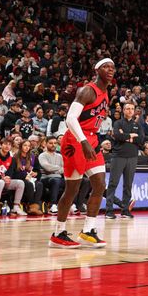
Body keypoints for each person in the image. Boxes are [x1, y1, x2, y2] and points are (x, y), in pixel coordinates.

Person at [48, 58, 113, 249]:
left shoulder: (106, 91)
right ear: (97, 70)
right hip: (76, 140)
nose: (110, 70)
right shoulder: (87, 90)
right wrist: (83, 141)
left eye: (112, 67)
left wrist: (90, 140)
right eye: (106, 67)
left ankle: (88, 230)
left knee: (100, 185)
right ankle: (58, 232)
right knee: (72, 189)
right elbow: (70, 119)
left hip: (92, 139)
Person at [106, 102, 142, 220]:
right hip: (118, 157)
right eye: (127, 109)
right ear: (123, 110)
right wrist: (131, 136)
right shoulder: (118, 123)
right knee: (113, 184)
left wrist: (126, 136)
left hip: (132, 157)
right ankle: (109, 210)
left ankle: (125, 210)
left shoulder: (137, 124)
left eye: (132, 109)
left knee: (128, 185)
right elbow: (117, 135)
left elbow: (141, 139)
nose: (130, 111)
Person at [38, 137, 64, 214]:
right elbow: (47, 167)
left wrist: (54, 170)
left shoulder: (60, 156)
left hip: (59, 178)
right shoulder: (42, 155)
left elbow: (65, 169)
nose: (53, 145)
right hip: (46, 179)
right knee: (55, 180)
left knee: (73, 181)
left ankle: (72, 204)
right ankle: (53, 205)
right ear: (46, 144)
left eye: (55, 143)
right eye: (51, 143)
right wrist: (58, 169)